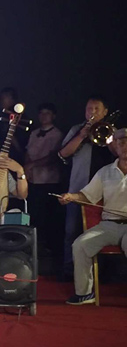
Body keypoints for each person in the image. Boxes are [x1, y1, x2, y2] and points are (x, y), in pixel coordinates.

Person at [58, 127, 127, 305]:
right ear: (115, 146)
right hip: (109, 224)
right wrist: (71, 196)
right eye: (121, 143)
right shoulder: (105, 171)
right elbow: (87, 196)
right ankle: (85, 293)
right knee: (80, 244)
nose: (125, 146)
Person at [58, 95, 115, 276]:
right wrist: (82, 135)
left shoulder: (112, 130)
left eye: (97, 109)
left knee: (102, 232)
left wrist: (109, 135)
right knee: (71, 231)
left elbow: (118, 153)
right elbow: (63, 154)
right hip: (78, 188)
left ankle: (101, 273)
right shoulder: (77, 129)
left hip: (106, 193)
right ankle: (69, 269)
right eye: (89, 108)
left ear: (105, 112)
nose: (92, 112)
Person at [24, 103, 64, 256]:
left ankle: (47, 250)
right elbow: (27, 152)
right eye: (41, 113)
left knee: (47, 217)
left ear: (53, 116)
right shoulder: (34, 133)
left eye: (47, 113)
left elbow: (54, 157)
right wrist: (27, 168)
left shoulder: (57, 134)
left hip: (49, 181)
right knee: (33, 214)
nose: (44, 116)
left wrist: (32, 165)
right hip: (33, 180)